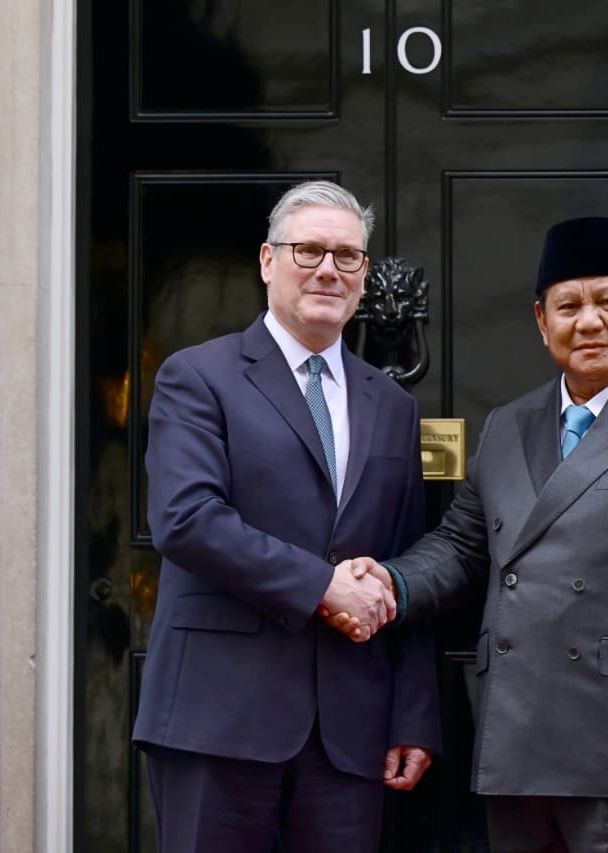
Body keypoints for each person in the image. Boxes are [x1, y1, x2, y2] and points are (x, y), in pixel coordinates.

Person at [329, 215, 608, 853]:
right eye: (568, 305)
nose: (587, 321)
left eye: (607, 302)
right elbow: (461, 548)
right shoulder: (509, 426)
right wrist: (391, 582)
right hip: (521, 753)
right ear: (542, 322)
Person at [132, 180, 441, 853]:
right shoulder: (199, 376)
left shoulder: (392, 405)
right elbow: (185, 519)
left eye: (347, 256)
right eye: (308, 251)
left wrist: (414, 714)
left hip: (348, 734)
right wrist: (322, 586)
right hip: (218, 719)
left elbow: (406, 556)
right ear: (267, 261)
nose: (329, 269)